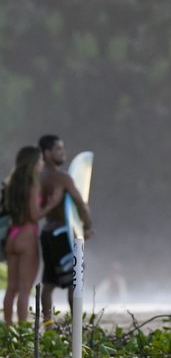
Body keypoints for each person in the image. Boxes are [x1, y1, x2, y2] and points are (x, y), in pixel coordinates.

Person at [3, 146, 63, 324]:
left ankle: (7, 328)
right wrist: (52, 204)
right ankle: (21, 329)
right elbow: (35, 215)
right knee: (24, 288)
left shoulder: (11, 183)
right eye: (40, 161)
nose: (42, 164)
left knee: (11, 288)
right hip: (27, 235)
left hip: (12, 236)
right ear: (33, 163)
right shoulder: (33, 183)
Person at [38, 135, 94, 323]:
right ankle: (76, 326)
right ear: (46, 153)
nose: (63, 152)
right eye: (58, 149)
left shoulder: (39, 177)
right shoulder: (62, 178)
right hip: (64, 233)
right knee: (74, 280)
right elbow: (81, 204)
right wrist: (87, 227)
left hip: (47, 232)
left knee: (49, 282)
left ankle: (48, 326)